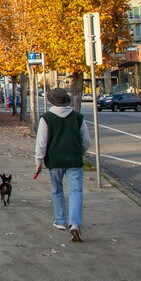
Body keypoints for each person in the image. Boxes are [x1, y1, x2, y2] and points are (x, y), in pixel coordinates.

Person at [34, 87, 92, 242]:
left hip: (55, 160)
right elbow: (86, 141)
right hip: (74, 159)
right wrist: (80, 152)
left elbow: (41, 142)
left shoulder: (46, 118)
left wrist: (38, 161)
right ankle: (75, 224)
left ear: (51, 102)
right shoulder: (78, 118)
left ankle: (60, 221)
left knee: (57, 190)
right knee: (76, 192)